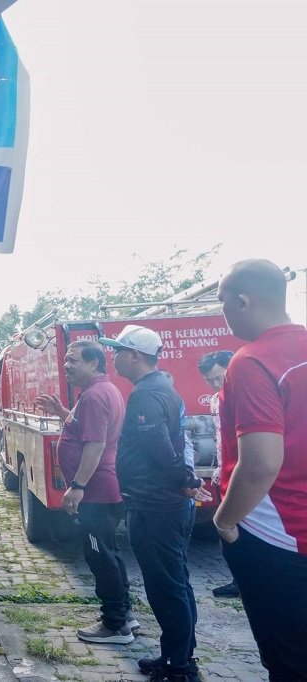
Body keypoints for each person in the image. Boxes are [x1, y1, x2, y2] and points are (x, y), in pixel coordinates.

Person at [213, 259, 307, 681]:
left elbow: (261, 463)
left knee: (287, 660)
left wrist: (225, 519)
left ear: (243, 300)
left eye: (222, 303)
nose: (223, 312)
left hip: (277, 535)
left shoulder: (251, 361)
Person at [99, 324, 208, 682]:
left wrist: (186, 482)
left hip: (157, 505)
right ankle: (177, 656)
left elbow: (160, 449)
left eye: (118, 351)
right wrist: (186, 482)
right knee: (175, 583)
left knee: (167, 587)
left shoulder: (146, 394)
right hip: (161, 502)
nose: (113, 357)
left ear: (135, 356)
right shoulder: (160, 387)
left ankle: (180, 667)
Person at [35, 341, 134, 644]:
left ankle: (115, 624)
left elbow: (95, 444)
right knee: (110, 553)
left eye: (73, 360)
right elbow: (85, 429)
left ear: (94, 364)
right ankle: (126, 614)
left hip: (96, 492)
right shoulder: (102, 391)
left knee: (100, 556)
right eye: (66, 360)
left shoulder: (94, 396)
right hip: (104, 490)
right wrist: (62, 411)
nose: (66, 365)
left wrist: (77, 487)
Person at [197, 350, 239, 599]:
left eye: (217, 377)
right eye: (208, 380)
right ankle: (238, 580)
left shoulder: (247, 396)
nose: (214, 384)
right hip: (222, 473)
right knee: (225, 533)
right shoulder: (215, 400)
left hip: (240, 475)